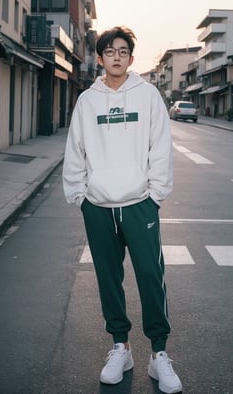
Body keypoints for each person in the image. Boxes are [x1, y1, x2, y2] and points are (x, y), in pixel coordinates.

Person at [62, 26, 182, 394]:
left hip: (138, 204)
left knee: (149, 274)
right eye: (109, 51)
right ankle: (121, 347)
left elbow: (160, 147)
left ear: (131, 57)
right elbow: (75, 150)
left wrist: (155, 196)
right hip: (98, 206)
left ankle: (159, 353)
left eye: (123, 50)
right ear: (100, 58)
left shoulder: (147, 96)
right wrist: (80, 197)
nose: (116, 56)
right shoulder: (88, 100)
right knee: (108, 278)